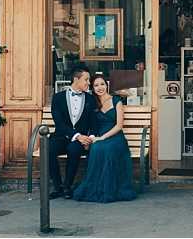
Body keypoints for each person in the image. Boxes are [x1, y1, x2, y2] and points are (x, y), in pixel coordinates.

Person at [73, 74, 137, 203]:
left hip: (115, 136)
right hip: (98, 136)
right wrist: (89, 138)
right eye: (96, 85)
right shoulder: (92, 102)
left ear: (107, 85)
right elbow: (87, 123)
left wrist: (102, 138)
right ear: (92, 88)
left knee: (106, 148)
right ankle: (97, 187)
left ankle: (111, 189)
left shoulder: (116, 101)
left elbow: (119, 126)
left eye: (102, 84)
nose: (99, 87)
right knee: (96, 148)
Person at [48, 65, 97, 199]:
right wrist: (77, 135)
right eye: (86, 80)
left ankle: (67, 186)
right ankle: (57, 186)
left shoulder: (90, 99)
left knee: (74, 149)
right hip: (61, 136)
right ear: (76, 79)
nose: (89, 83)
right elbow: (59, 123)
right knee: (49, 149)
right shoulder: (58, 98)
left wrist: (90, 138)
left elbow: (94, 123)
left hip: (80, 140)